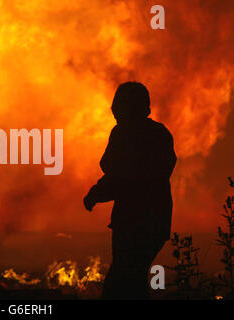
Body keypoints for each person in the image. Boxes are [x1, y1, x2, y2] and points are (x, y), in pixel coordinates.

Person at [83, 82, 176, 299]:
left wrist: (95, 194)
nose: (114, 111)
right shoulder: (160, 134)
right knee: (133, 279)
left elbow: (118, 174)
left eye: (118, 106)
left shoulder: (124, 133)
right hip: (157, 222)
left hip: (132, 222)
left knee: (120, 282)